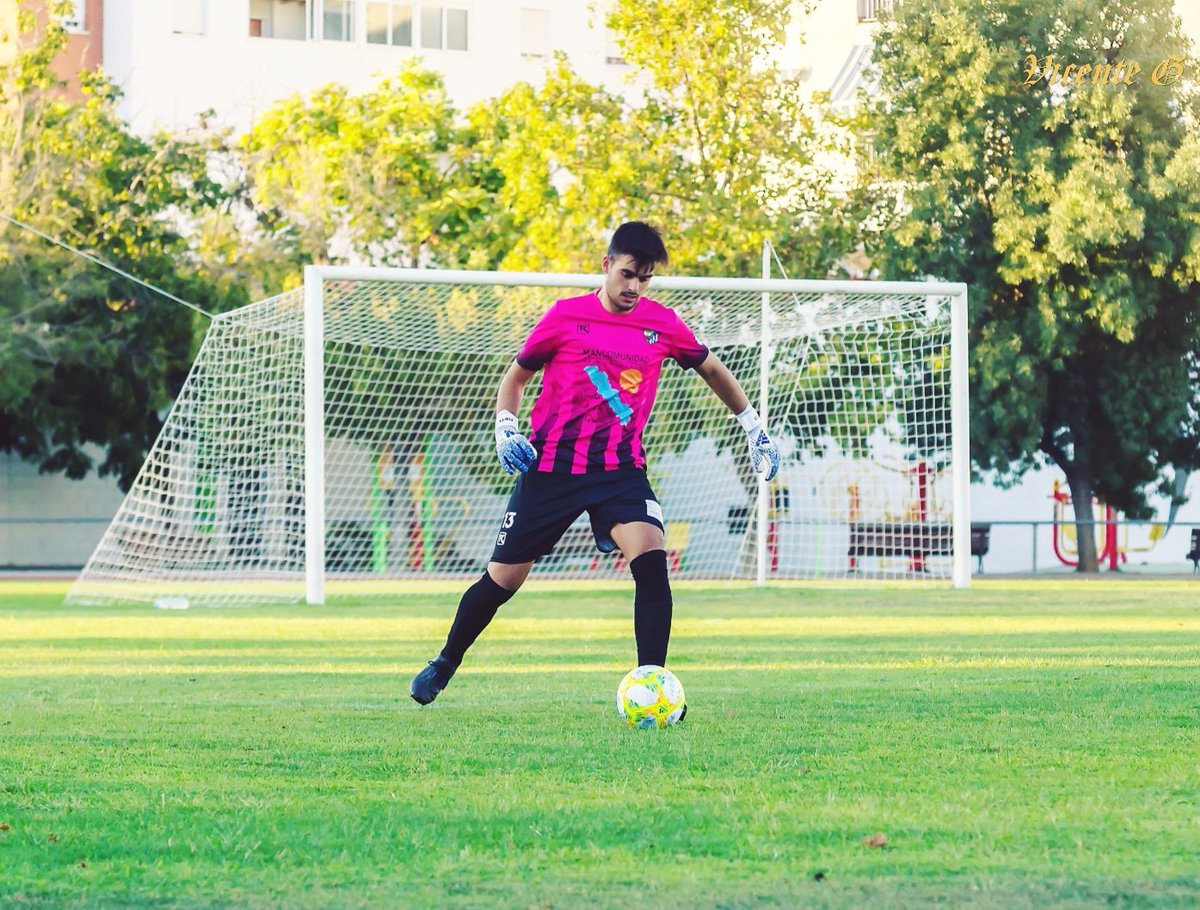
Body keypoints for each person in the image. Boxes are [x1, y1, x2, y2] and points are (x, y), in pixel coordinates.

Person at [410, 221, 779, 706]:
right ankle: (445, 661)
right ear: (607, 265)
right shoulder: (564, 317)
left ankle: (653, 687)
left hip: (620, 471)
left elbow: (710, 367)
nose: (634, 287)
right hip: (552, 470)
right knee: (503, 581)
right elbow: (515, 377)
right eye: (627, 274)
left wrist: (754, 427)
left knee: (652, 562)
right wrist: (506, 428)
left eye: (645, 279)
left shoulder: (662, 323)